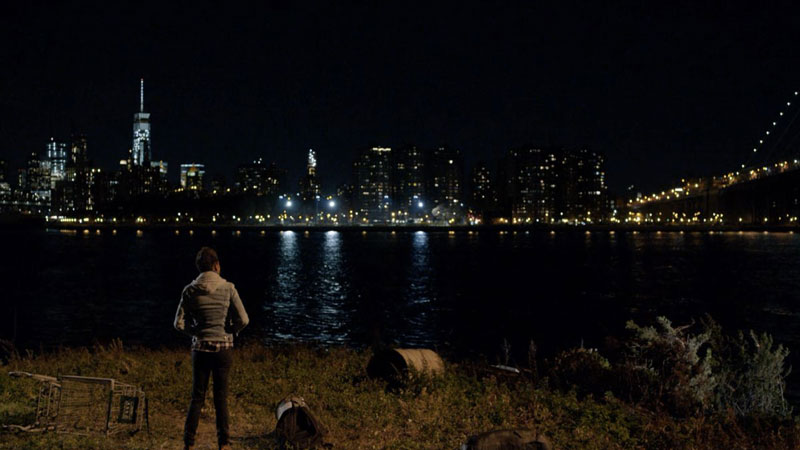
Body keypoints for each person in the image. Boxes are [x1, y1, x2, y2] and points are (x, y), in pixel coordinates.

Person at [174, 247, 249, 450]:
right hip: (223, 349)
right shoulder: (228, 288)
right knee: (220, 398)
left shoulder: (189, 290)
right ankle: (223, 443)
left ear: (199, 267)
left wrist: (195, 332)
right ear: (216, 265)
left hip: (200, 349)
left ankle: (189, 443)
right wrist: (231, 330)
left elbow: (178, 324)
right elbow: (244, 319)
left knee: (197, 397)